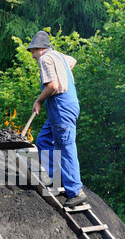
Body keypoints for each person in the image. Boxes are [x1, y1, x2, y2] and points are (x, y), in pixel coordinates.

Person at [27, 30, 87, 208]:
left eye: (32, 52)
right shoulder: (59, 57)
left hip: (61, 107)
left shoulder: (45, 59)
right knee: (43, 140)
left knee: (66, 146)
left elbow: (52, 86)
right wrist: (63, 71)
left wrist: (38, 101)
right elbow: (73, 61)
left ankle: (75, 191)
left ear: (40, 48)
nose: (32, 56)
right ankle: (55, 178)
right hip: (65, 107)